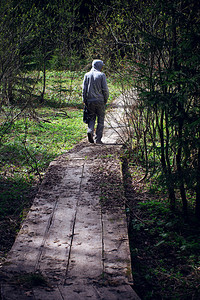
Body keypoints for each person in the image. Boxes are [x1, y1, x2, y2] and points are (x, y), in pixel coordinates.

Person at [82, 59, 109, 144]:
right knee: (100, 119)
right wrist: (105, 99)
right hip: (100, 101)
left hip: (90, 101)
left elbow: (84, 89)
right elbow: (105, 89)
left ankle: (90, 131)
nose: (102, 67)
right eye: (101, 65)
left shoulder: (87, 75)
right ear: (99, 65)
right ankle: (98, 139)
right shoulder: (102, 75)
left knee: (91, 117)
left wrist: (84, 100)